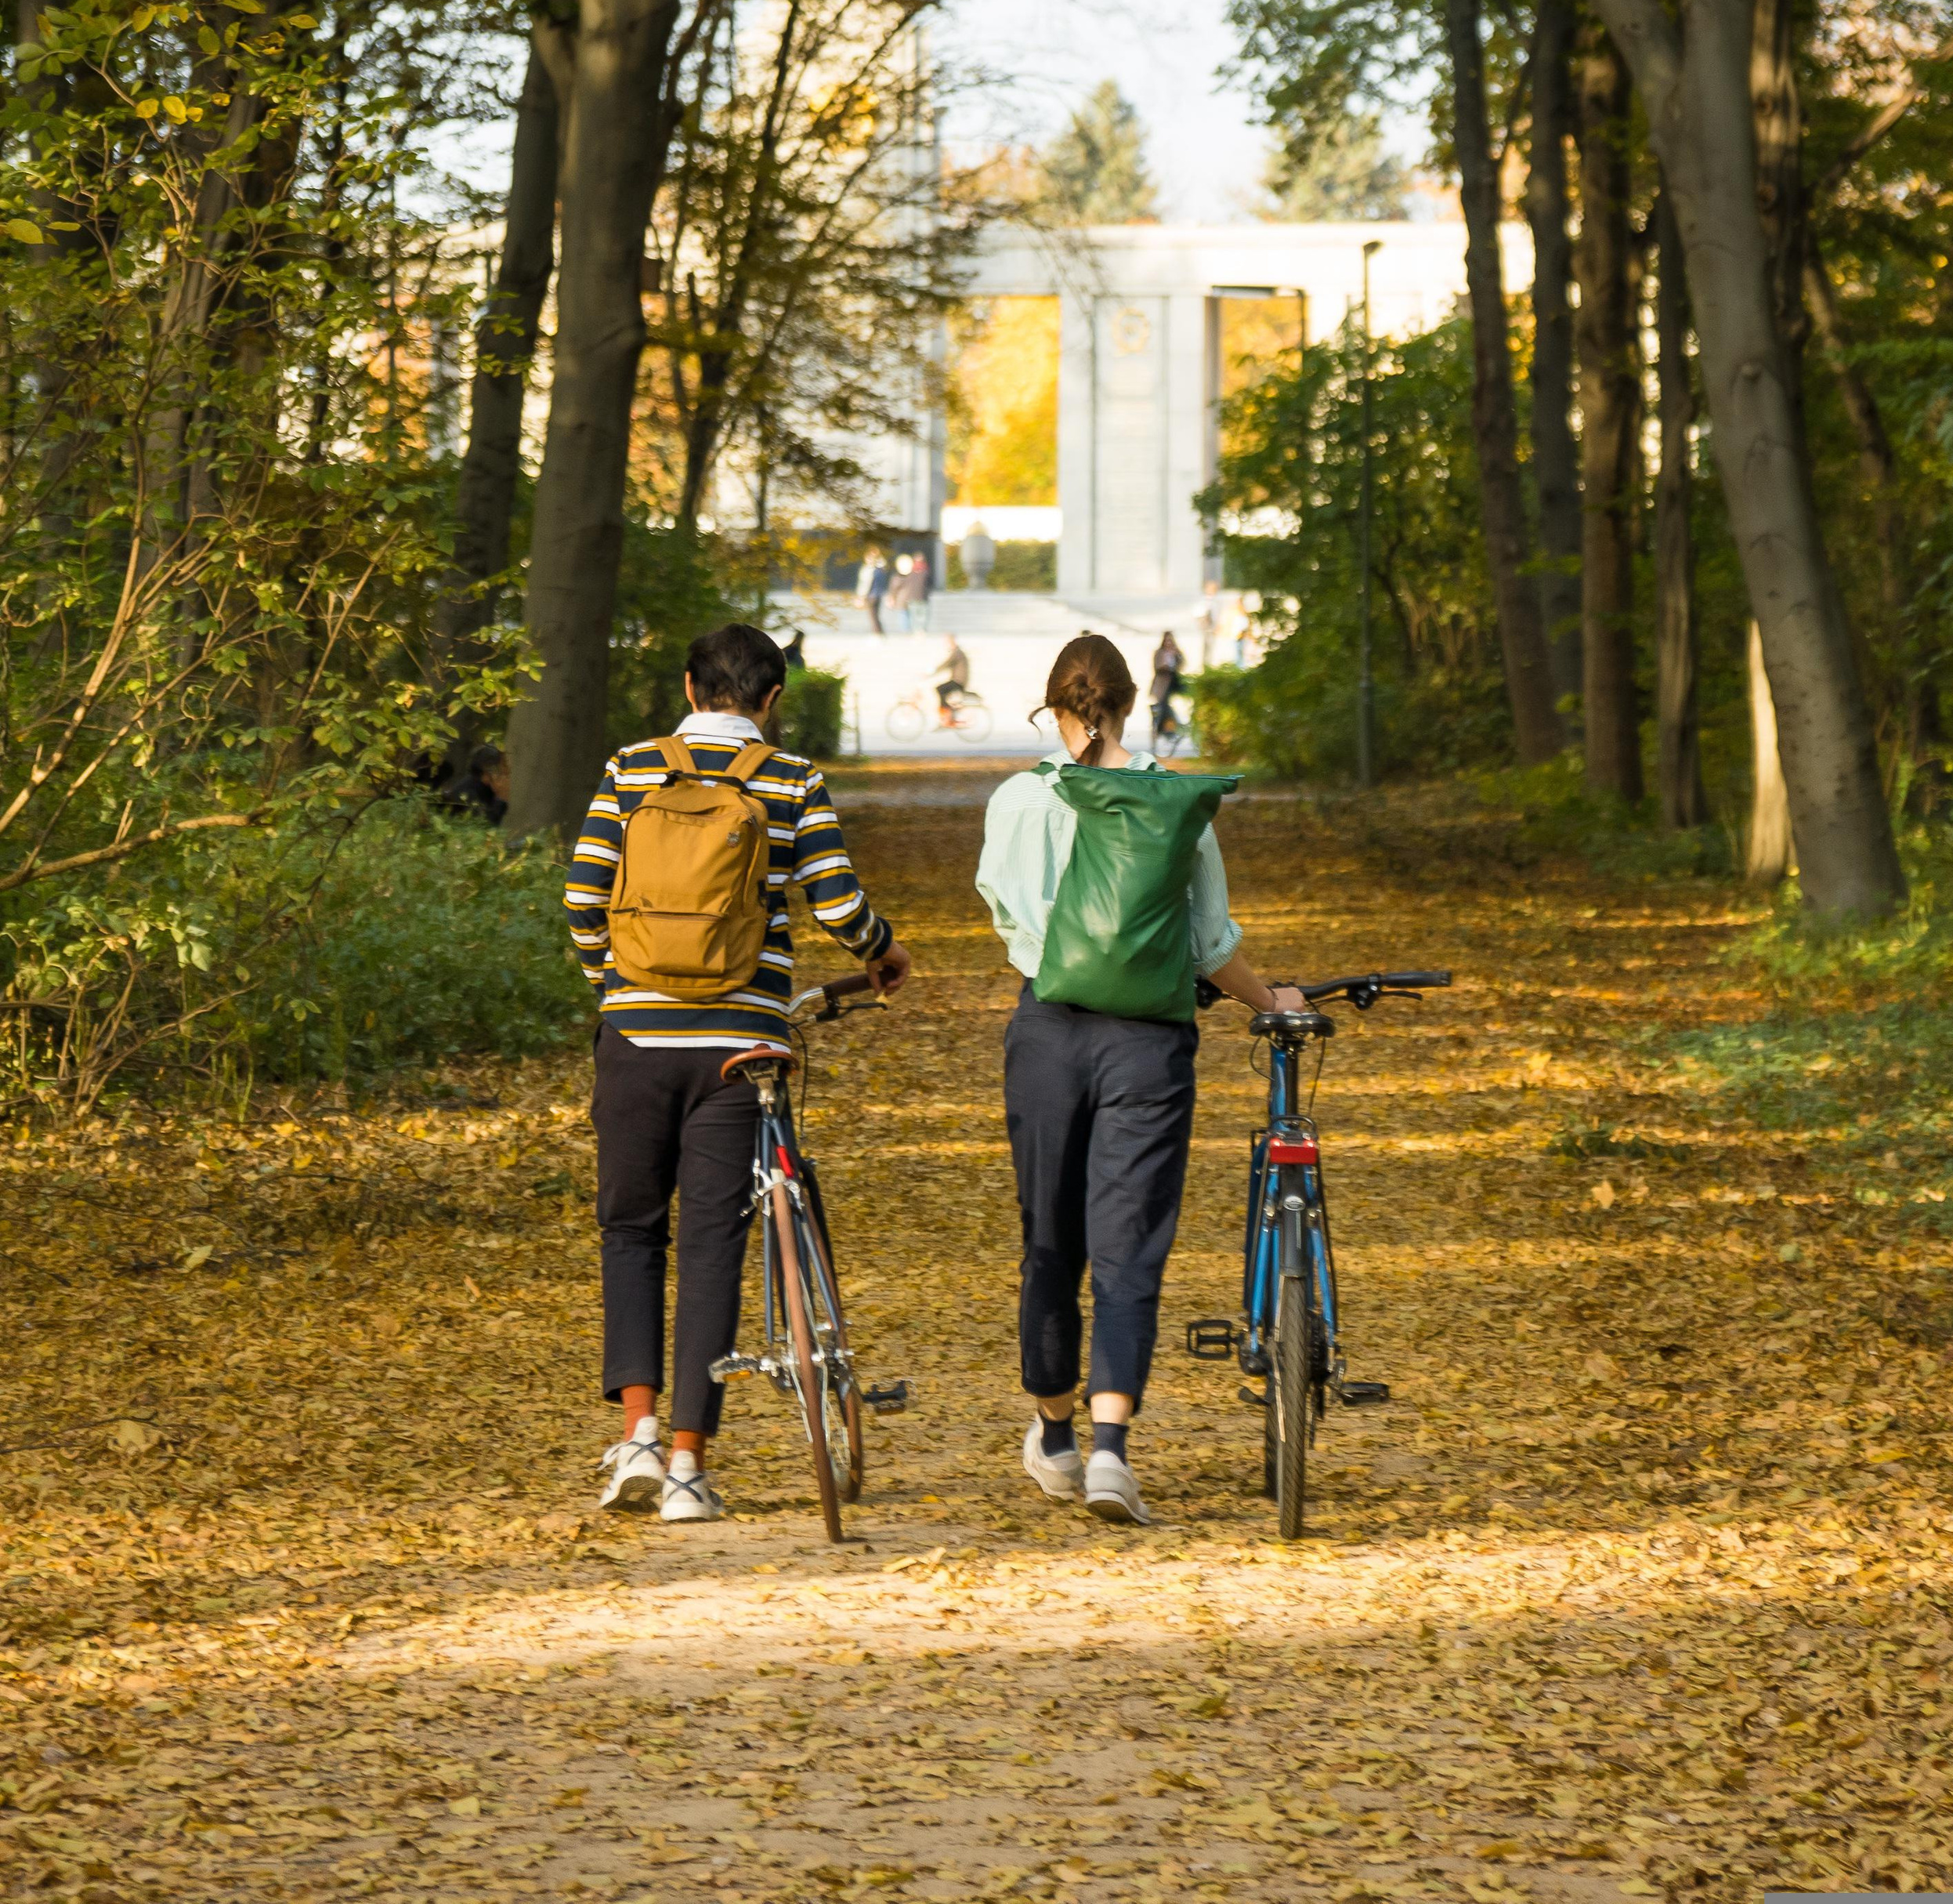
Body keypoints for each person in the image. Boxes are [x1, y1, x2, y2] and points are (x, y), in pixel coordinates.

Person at [566, 623, 911, 1524]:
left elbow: (580, 898)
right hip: (741, 1045)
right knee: (715, 1245)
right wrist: (881, 952)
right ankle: (688, 1465)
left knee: (631, 1230)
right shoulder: (791, 779)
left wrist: (615, 982)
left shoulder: (632, 768)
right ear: (772, 698)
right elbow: (835, 900)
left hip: (634, 1038)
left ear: (688, 687)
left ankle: (635, 1435)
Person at [976, 633, 1304, 1526]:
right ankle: (1113, 1450)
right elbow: (1211, 945)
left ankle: (1053, 1435)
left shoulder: (1017, 800)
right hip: (1149, 1042)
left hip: (1047, 1032)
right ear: (1130, 703)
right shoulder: (1175, 802)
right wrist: (1266, 999)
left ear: (1054, 707)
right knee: (1129, 1246)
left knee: (1050, 1238)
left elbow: (1005, 910)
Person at [438, 744, 508, 826]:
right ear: (486, 770)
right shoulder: (467, 792)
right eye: (498, 770)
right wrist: (501, 800)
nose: (503, 775)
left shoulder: (486, 789)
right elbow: (484, 826)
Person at [1148, 632, 1185, 754]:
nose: (1168, 643)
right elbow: (1158, 667)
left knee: (1167, 710)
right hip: (1161, 685)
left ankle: (1172, 731)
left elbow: (1182, 664)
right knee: (1160, 711)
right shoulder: (1160, 653)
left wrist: (1177, 656)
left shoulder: (1176, 653)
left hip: (1172, 685)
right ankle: (1161, 733)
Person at [934, 635, 971, 724]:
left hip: (959, 681)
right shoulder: (958, 652)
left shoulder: (957, 653)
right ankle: (948, 715)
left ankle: (947, 717)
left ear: (952, 642)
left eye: (948, 642)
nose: (947, 645)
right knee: (944, 692)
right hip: (958, 680)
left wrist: (933, 671)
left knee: (940, 689)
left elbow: (946, 664)